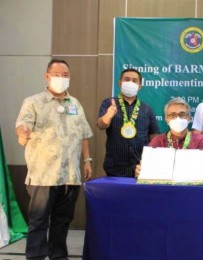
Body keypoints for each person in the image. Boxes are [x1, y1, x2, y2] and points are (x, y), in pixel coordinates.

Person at [15, 59, 93, 259]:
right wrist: (22, 133)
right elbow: (23, 124)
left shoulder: (75, 103)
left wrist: (87, 160)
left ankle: (58, 256)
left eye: (65, 75)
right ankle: (36, 257)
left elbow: (84, 133)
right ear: (47, 76)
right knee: (38, 222)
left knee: (62, 222)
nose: (61, 79)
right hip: (43, 176)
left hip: (70, 176)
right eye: (56, 74)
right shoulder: (33, 102)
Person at [98, 68, 159, 177]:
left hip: (140, 168)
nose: (130, 82)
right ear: (120, 83)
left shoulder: (147, 109)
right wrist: (108, 115)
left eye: (134, 81)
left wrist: (151, 161)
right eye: (127, 79)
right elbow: (101, 125)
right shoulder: (109, 103)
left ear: (140, 86)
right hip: (114, 167)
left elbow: (154, 137)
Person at [135, 97, 203, 179]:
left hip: (191, 188)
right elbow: (146, 168)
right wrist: (140, 172)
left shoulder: (201, 141)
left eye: (182, 114)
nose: (178, 118)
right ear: (166, 119)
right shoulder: (158, 141)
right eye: (173, 115)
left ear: (189, 118)